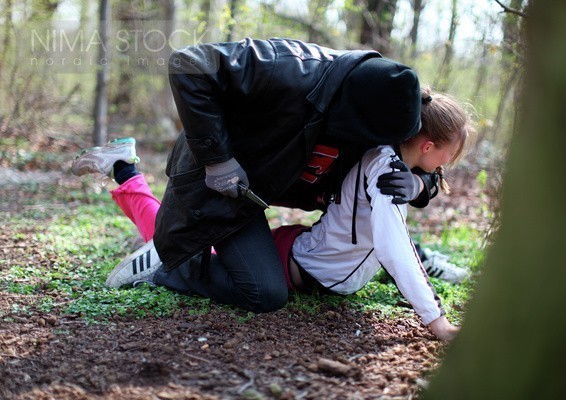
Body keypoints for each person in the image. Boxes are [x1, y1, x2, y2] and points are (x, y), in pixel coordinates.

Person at [71, 86, 474, 340]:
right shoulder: (384, 168)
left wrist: (423, 184)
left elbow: (378, 233)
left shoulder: (392, 164)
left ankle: (123, 168)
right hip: (289, 263)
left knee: (175, 235)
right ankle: (164, 263)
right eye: (450, 155)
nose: (448, 165)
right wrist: (435, 320)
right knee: (180, 244)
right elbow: (391, 243)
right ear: (427, 145)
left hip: (303, 251)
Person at [149, 37, 445, 314]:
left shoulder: (391, 102)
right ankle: (167, 265)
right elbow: (189, 64)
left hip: (270, 187)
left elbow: (428, 151)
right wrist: (218, 160)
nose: (383, 148)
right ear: (356, 112)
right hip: (224, 185)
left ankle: (423, 257)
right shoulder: (288, 66)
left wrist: (419, 183)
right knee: (265, 293)